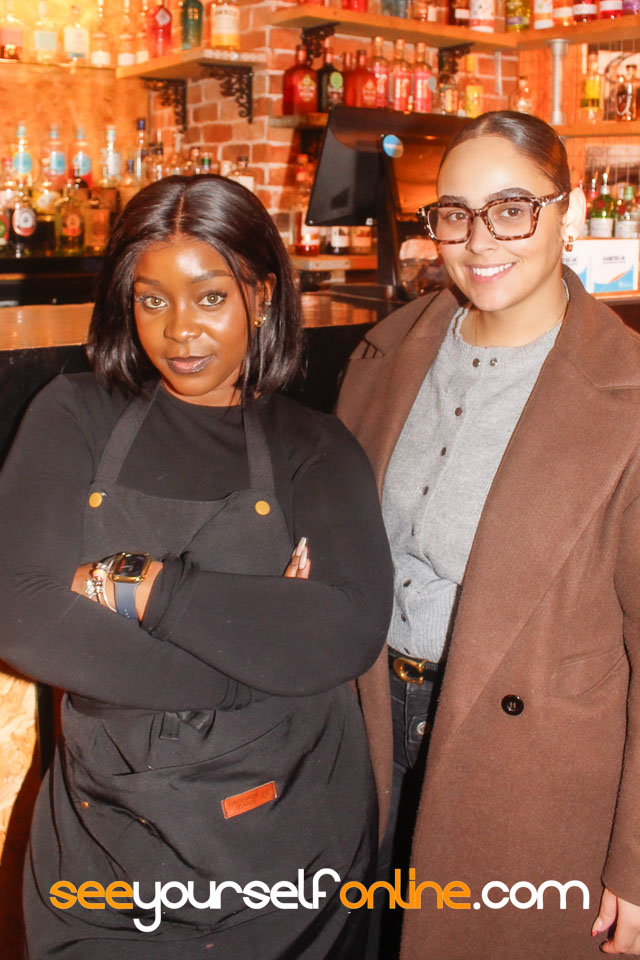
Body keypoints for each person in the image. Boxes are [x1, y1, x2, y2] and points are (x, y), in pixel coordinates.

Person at [0, 174, 393, 959]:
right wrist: (255, 656)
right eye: (152, 300)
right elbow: (19, 612)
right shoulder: (73, 412)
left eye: (211, 297)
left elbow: (345, 631)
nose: (179, 331)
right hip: (107, 846)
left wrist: (138, 584)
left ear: (263, 295)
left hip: (294, 849)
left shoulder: (314, 445)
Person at [337, 110, 640, 959]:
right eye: (455, 214)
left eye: (512, 209)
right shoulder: (385, 352)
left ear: (565, 210)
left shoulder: (628, 392)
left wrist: (637, 864)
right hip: (372, 725)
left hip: (533, 768)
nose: (479, 241)